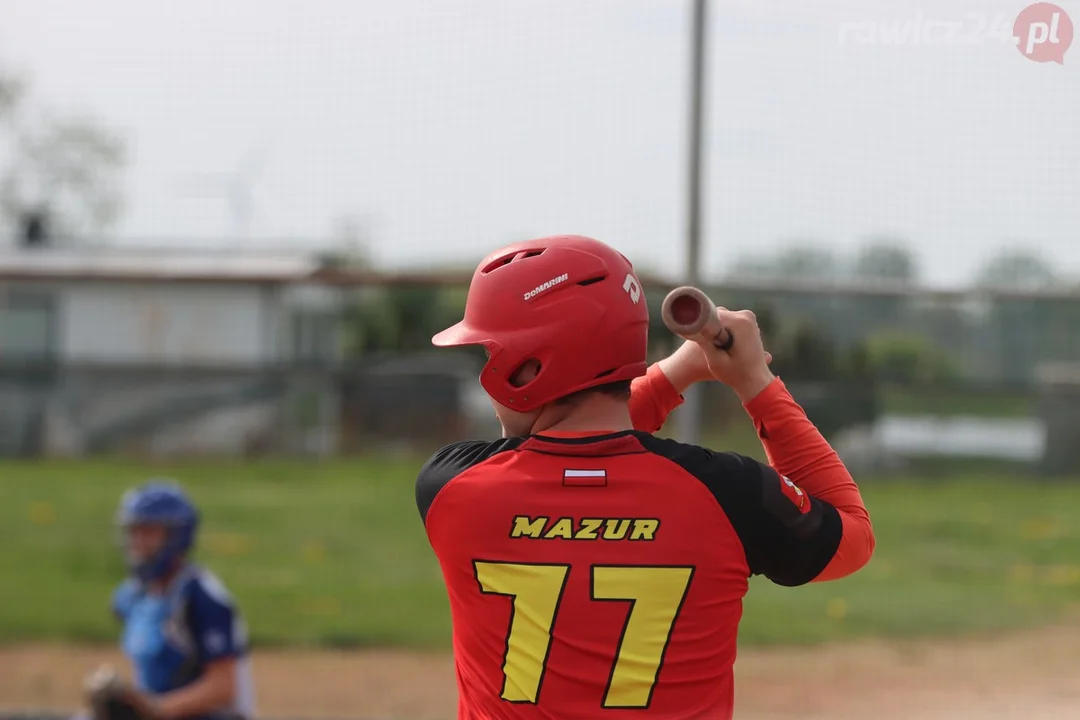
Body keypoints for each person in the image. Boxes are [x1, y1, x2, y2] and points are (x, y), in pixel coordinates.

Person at [415, 234, 875, 719]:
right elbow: (852, 533)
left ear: (528, 370)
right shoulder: (728, 494)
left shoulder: (452, 488)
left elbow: (567, 441)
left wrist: (672, 374)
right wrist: (754, 383)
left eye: (493, 354)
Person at [99, 480, 255, 720]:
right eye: (134, 531)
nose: (139, 541)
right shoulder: (132, 595)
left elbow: (224, 688)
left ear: (178, 537)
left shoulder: (200, 597)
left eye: (149, 532)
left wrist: (156, 709)